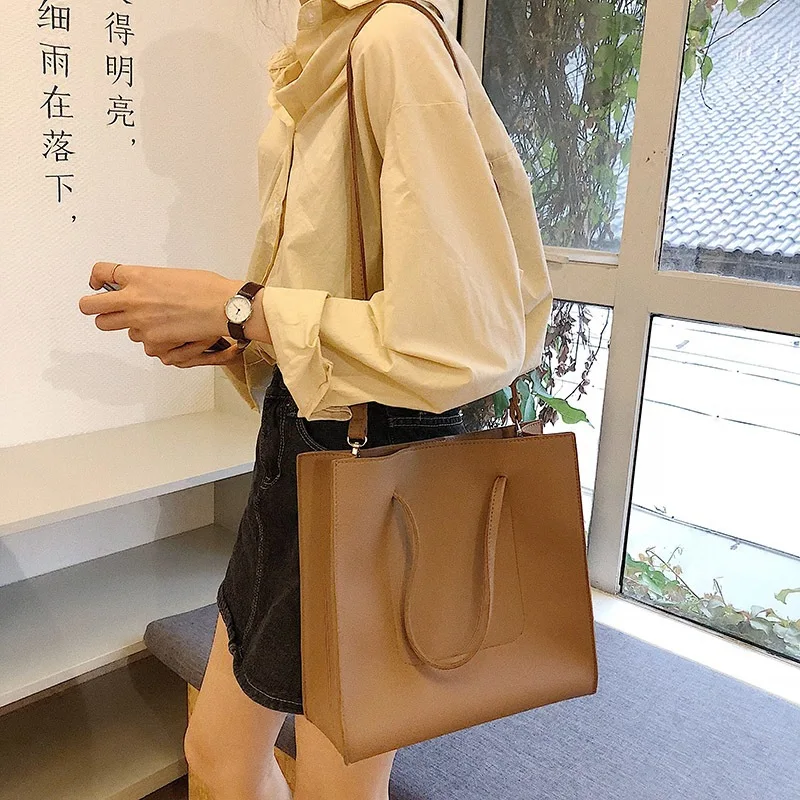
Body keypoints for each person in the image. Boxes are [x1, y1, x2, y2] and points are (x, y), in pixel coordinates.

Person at [79, 0, 553, 797]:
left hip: (378, 450)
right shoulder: (330, 46)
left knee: (333, 781)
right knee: (220, 752)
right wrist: (238, 333)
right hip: (310, 435)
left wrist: (238, 308)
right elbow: (345, 284)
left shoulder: (393, 40)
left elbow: (460, 337)